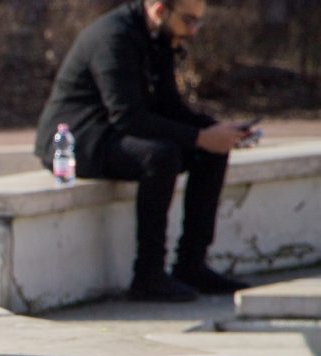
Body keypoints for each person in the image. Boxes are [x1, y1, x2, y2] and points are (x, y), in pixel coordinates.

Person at [34, 0, 254, 302]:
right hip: (77, 140)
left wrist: (217, 130)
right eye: (188, 20)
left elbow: (168, 107)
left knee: (210, 150)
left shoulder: (157, 37)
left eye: (197, 22)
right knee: (161, 156)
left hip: (113, 133)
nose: (193, 31)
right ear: (160, 10)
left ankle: (191, 265)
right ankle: (148, 275)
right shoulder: (114, 37)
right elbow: (128, 117)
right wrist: (200, 136)